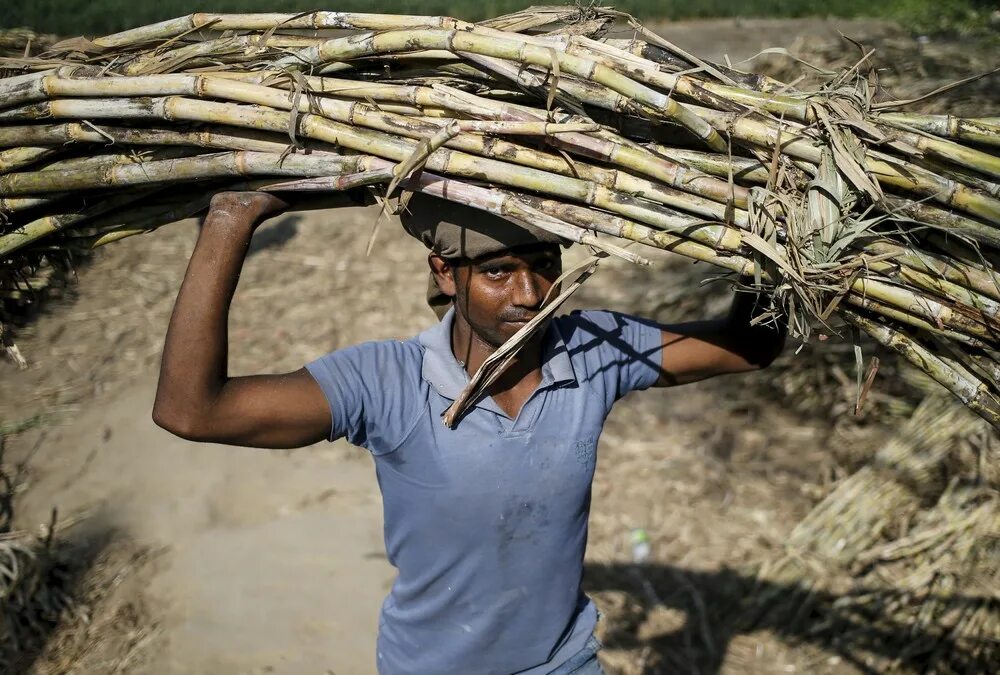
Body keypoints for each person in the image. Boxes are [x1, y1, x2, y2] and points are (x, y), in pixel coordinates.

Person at [152, 189, 786, 675]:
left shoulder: (590, 349)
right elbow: (192, 410)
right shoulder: (388, 381)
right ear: (444, 272)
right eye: (498, 271)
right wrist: (232, 221)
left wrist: (763, 231)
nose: (531, 293)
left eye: (543, 265)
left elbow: (746, 347)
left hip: (562, 662)